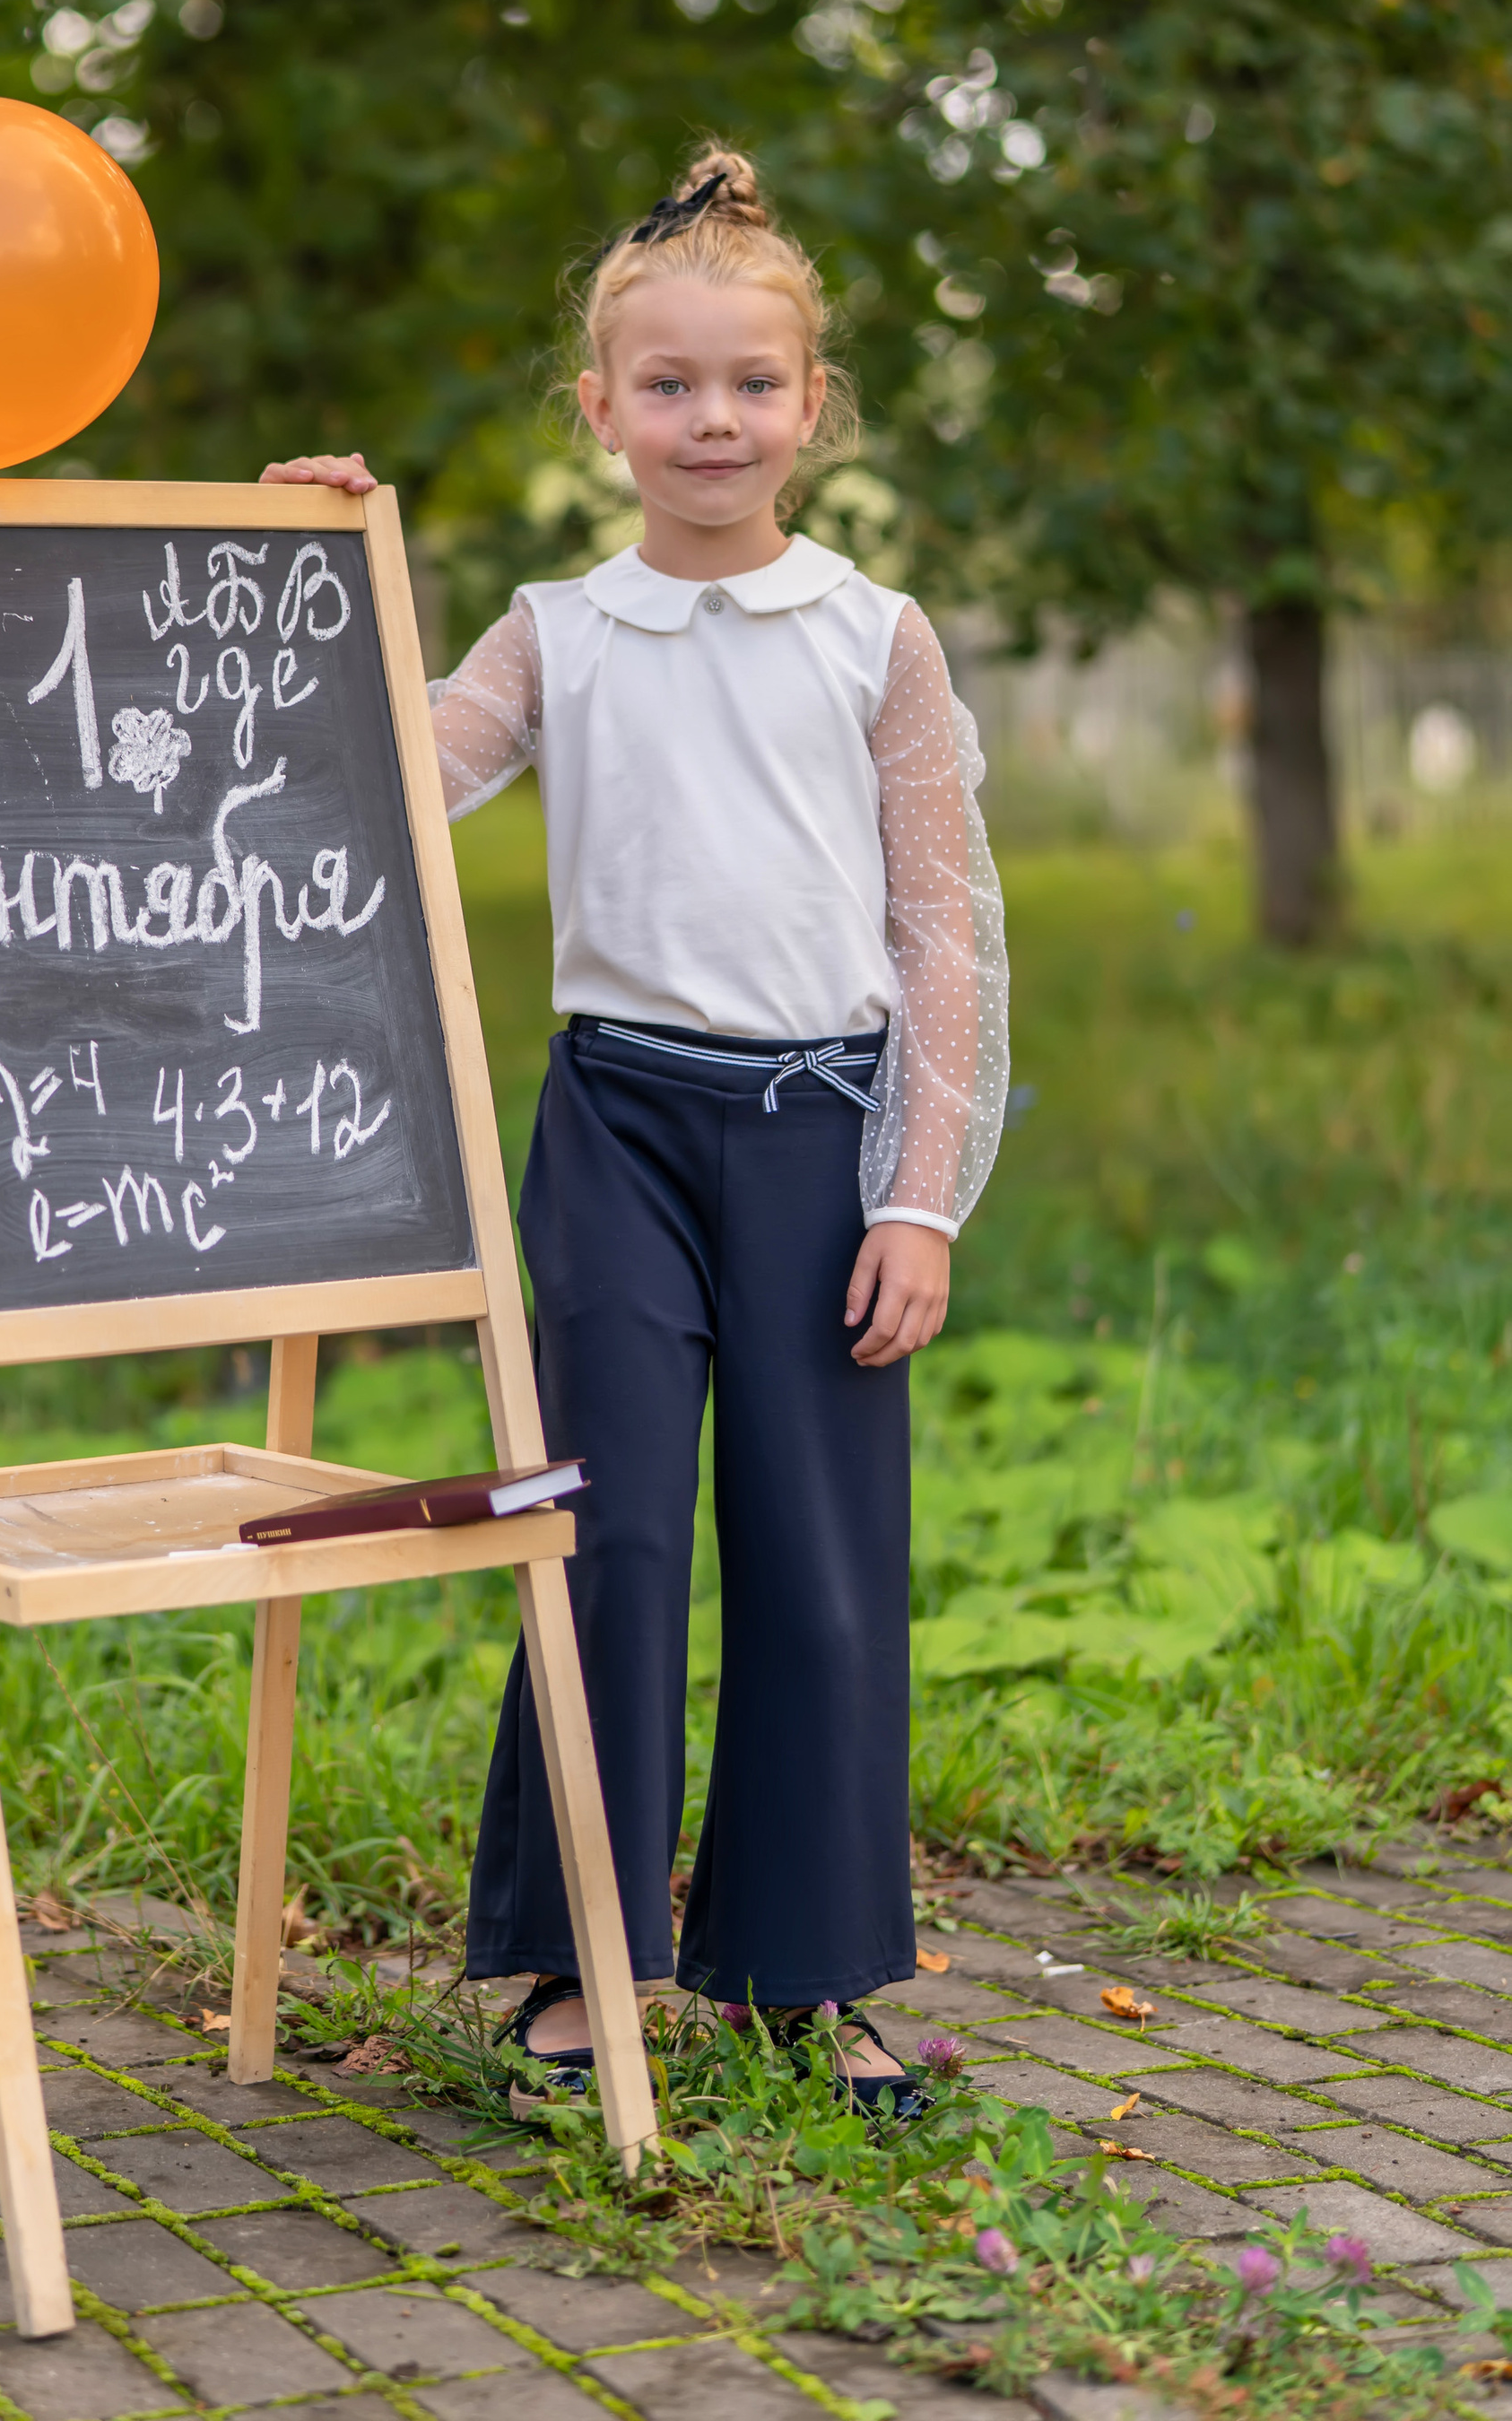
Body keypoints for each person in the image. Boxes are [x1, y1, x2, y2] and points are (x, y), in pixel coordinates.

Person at [264, 151, 1006, 2113]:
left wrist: (915, 1198)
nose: (709, 421)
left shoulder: (875, 636)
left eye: (747, 385)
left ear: (809, 407)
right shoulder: (558, 632)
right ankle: (578, 1962)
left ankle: (803, 1967)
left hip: (820, 1130)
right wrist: (316, 580)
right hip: (614, 1124)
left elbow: (941, 935)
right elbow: (393, 777)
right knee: (596, 1532)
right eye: (663, 385)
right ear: (596, 411)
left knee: (818, 1555)